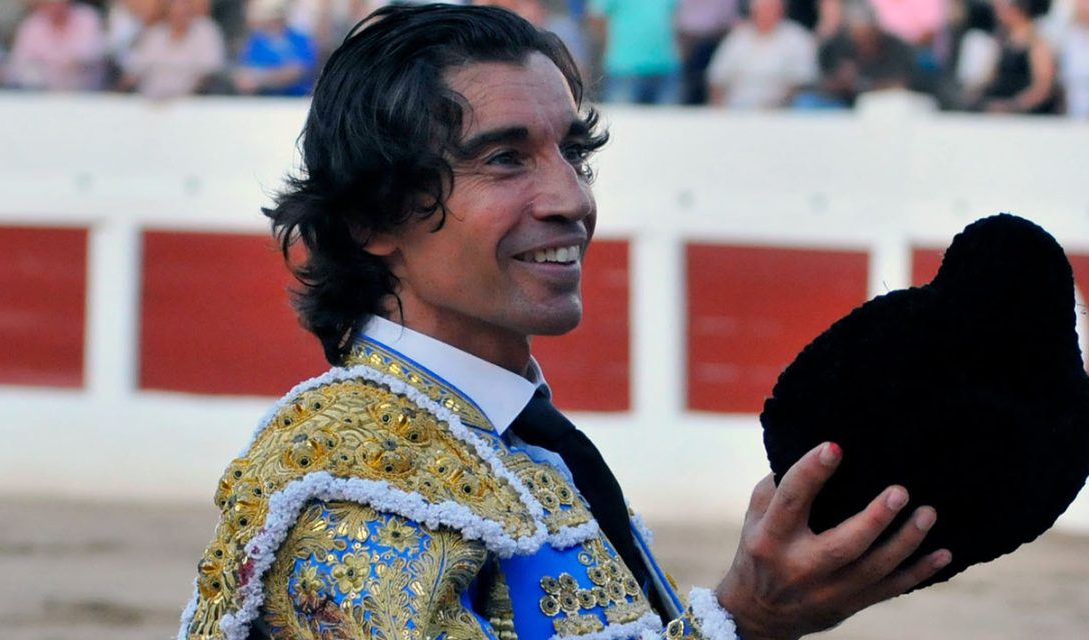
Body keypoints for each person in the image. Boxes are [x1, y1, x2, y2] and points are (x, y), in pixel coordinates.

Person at [178, 5, 951, 640]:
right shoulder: (352, 485)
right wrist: (746, 618)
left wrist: (747, 620)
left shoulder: (509, 444)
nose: (573, 199)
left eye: (572, 154)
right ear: (375, 215)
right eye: (506, 160)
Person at [706, 0, 819, 109]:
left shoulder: (797, 37)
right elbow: (716, 79)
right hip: (735, 112)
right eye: (762, 9)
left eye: (772, 8)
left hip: (782, 114)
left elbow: (802, 82)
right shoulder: (737, 38)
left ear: (781, 10)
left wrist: (778, 106)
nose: (767, 13)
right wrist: (719, 112)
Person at [810, 0, 918, 108]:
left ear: (876, 30)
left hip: (885, 104)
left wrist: (867, 85)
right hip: (842, 103)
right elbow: (821, 83)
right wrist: (840, 82)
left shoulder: (897, 48)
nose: (863, 41)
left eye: (867, 36)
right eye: (857, 36)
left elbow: (902, 84)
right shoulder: (835, 46)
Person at [119, 0, 225, 99]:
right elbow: (136, 69)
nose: (179, 18)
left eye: (184, 14)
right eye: (175, 14)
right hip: (151, 100)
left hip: (192, 100)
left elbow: (209, 70)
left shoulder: (205, 31)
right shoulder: (155, 34)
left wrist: (189, 96)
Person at [970, 0, 1058, 113]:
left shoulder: (1037, 44)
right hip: (1000, 105)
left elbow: (1042, 89)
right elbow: (993, 77)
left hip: (1025, 114)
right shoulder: (1002, 40)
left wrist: (1012, 106)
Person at [587, 0, 681, 104]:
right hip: (623, 71)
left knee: (668, 119)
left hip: (666, 69)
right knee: (621, 119)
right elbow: (596, 19)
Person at [8, 0, 107, 91]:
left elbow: (93, 53)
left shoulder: (87, 18)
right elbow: (20, 63)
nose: (55, 5)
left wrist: (72, 64)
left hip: (88, 94)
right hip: (42, 96)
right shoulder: (32, 25)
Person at [232, 0, 317, 96]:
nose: (273, 22)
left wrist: (261, 77)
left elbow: (297, 72)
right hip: (262, 99)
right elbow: (244, 76)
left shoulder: (300, 39)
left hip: (296, 99)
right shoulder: (255, 41)